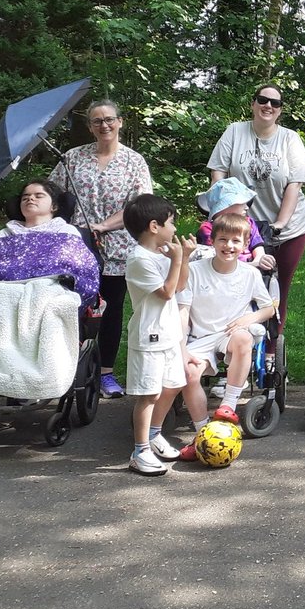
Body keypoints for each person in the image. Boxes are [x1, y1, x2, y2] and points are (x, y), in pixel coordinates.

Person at [51, 99, 152, 398]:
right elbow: (53, 197)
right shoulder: (71, 159)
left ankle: (105, 372)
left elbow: (139, 207)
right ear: (89, 127)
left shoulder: (134, 162)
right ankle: (68, 369)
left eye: (110, 119)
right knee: (73, 307)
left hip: (118, 247)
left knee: (110, 309)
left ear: (120, 122)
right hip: (77, 245)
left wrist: (104, 226)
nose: (104, 125)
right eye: (97, 121)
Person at [208, 84, 305, 327]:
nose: (268, 106)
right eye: (263, 100)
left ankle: (270, 349)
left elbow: (294, 186)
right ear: (253, 104)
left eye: (274, 103)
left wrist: (279, 224)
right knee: (233, 283)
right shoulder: (235, 132)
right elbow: (218, 173)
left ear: (280, 110)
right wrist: (220, 211)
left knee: (277, 288)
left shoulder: (289, 139)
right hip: (240, 227)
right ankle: (231, 338)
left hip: (288, 229)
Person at [175, 213, 277, 461]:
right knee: (188, 373)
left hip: (231, 333)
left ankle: (227, 407)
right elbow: (183, 310)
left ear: (244, 246)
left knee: (244, 338)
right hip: (201, 335)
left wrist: (248, 319)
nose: (228, 246)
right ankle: (203, 436)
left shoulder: (249, 274)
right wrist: (182, 348)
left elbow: (268, 308)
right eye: (222, 240)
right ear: (212, 241)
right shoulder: (196, 271)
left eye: (235, 241)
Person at [122, 194, 192, 477]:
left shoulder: (162, 254)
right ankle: (140, 451)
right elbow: (165, 293)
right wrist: (175, 260)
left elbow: (180, 286)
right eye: (171, 223)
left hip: (169, 333)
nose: (175, 229)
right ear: (154, 226)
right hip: (149, 335)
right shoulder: (139, 259)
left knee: (173, 385)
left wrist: (183, 259)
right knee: (149, 393)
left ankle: (154, 433)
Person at [194, 177, 270, 269]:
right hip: (222, 271)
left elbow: (258, 248)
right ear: (226, 206)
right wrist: (251, 266)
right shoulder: (208, 229)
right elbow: (217, 259)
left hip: (251, 268)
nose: (247, 207)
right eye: (242, 203)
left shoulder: (249, 223)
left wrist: (260, 260)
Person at [0, 180, 81, 239]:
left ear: (54, 206)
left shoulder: (66, 231)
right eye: (25, 198)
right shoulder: (6, 234)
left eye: (38, 196)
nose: (30, 198)